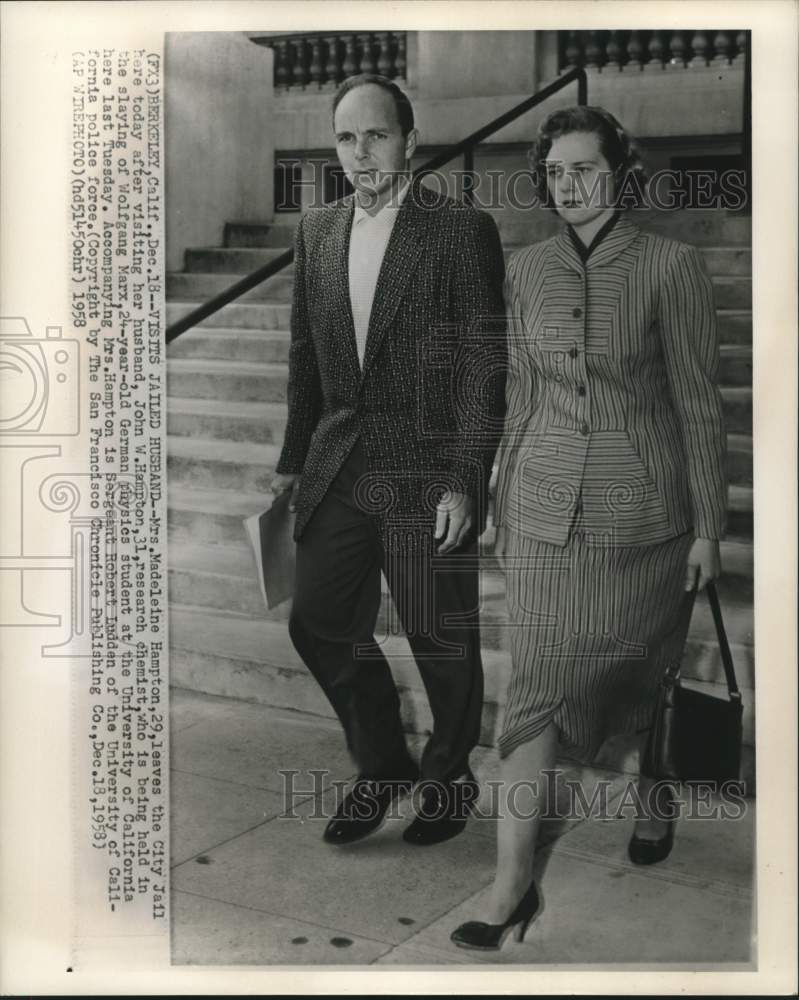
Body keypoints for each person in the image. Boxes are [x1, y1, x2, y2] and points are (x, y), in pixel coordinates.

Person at [451, 105, 727, 950]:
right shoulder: (525, 268)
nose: (569, 185)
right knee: (531, 688)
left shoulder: (671, 265)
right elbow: (522, 392)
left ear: (620, 172)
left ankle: (653, 795)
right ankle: (509, 887)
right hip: (539, 511)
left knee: (638, 676)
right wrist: (499, 491)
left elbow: (695, 402)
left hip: (642, 517)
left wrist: (708, 526)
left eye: (586, 169)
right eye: (557, 172)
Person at [271, 74, 507, 848]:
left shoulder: (458, 228)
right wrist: (291, 465)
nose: (360, 150)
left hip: (426, 467)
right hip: (338, 460)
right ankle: (380, 764)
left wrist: (466, 479)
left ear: (409, 140)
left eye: (375, 134)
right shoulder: (317, 228)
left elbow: (481, 363)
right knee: (317, 622)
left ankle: (446, 777)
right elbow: (306, 358)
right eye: (346, 137)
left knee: (442, 642)